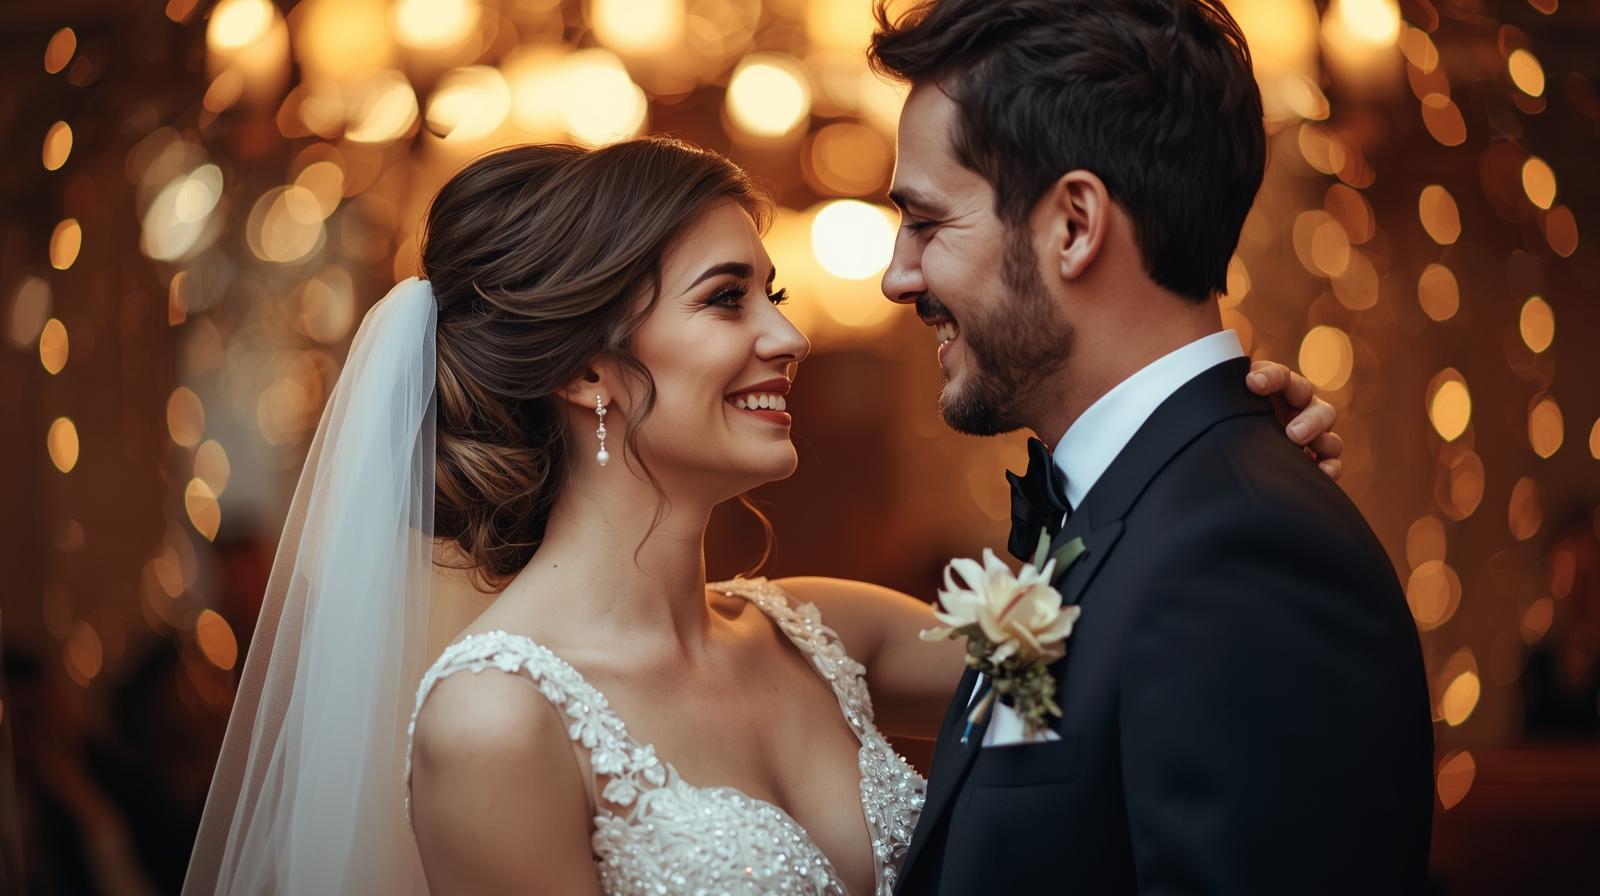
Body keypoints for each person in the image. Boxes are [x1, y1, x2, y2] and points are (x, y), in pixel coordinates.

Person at [181, 137, 1343, 895]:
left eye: (774, 297)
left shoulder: (829, 632)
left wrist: (1216, 460)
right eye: (727, 299)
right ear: (588, 369)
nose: (787, 339)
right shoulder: (495, 720)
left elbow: (1126, 646)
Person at [865, 1, 1436, 893]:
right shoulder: (1145, 515)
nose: (897, 276)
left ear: (1074, 225)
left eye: (927, 223)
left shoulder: (1240, 554)